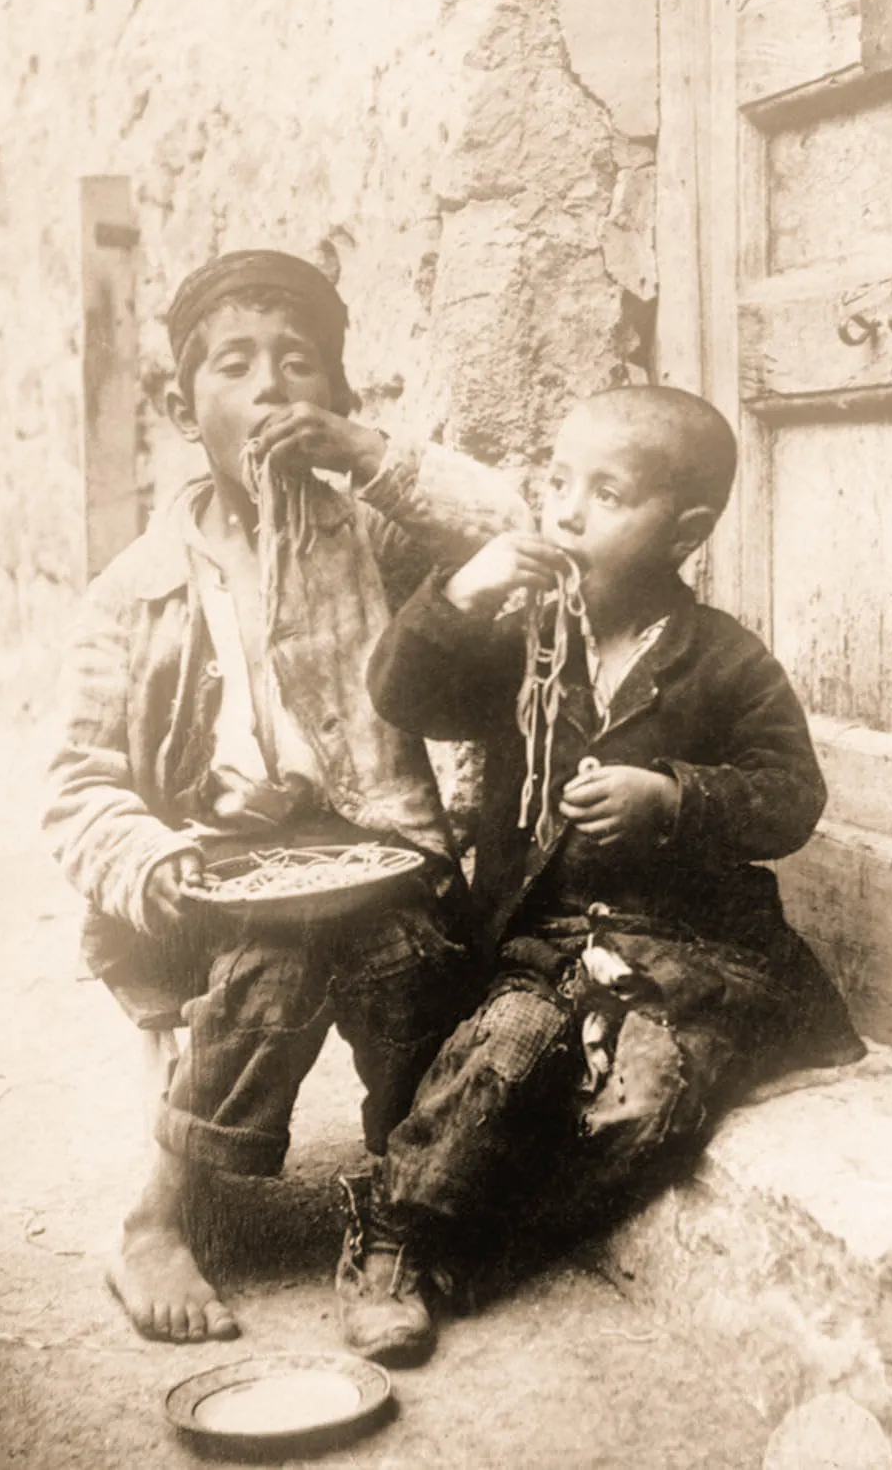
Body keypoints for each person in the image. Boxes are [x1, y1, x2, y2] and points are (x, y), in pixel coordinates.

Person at [43, 249, 529, 1356]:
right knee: (271, 957)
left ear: (336, 399)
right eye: (235, 364)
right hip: (206, 882)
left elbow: (508, 525)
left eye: (298, 365)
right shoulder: (137, 590)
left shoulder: (372, 536)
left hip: (374, 857)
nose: (269, 386)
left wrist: (370, 460)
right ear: (181, 403)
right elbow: (77, 788)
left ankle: (394, 1218)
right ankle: (157, 1221)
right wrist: (152, 859)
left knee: (406, 967)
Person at [363, 385, 865, 1360]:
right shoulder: (525, 638)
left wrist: (673, 797)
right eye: (558, 482)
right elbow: (405, 694)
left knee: (646, 1103)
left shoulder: (725, 660)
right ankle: (393, 1235)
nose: (567, 510)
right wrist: (462, 595)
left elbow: (790, 797)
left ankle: (498, 1241)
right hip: (546, 941)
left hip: (695, 957)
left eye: (606, 492)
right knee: (497, 1059)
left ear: (685, 531)